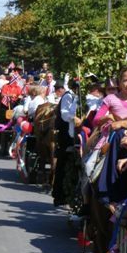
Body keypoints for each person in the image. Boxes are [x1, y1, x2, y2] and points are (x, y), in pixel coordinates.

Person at [52, 78, 82, 207]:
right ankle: (59, 195)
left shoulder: (84, 98)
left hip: (80, 133)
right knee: (63, 163)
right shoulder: (68, 97)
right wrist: (73, 117)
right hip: (67, 134)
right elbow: (65, 114)